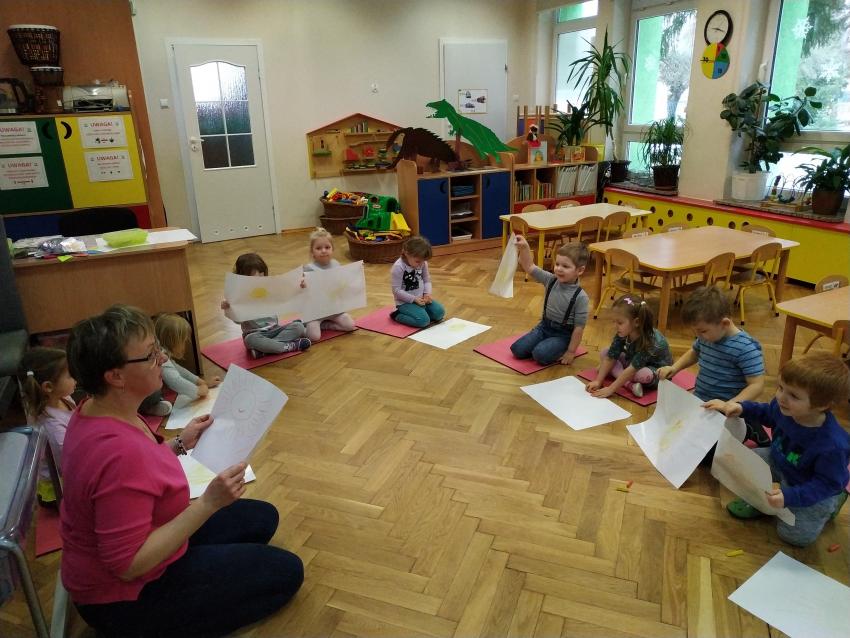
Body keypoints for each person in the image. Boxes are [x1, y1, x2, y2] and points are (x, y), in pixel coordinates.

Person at [61, 304, 303, 637]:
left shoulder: (99, 408)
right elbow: (128, 565)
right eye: (150, 355)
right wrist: (209, 503)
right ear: (115, 376)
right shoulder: (118, 453)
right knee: (287, 572)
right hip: (124, 597)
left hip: (152, 530)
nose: (162, 358)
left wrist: (180, 443)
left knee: (262, 518)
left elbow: (139, 473)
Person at [704, 353, 850, 547]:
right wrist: (741, 408)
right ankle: (759, 502)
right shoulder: (785, 408)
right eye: (780, 388)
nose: (781, 397)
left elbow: (826, 483)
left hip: (810, 485)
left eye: (793, 395)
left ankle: (836, 500)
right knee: (742, 461)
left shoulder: (833, 446)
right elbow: (766, 412)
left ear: (822, 405)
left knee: (793, 537)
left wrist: (789, 496)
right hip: (778, 459)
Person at [658, 285, 767, 445]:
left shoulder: (746, 348)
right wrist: (674, 368)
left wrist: (730, 405)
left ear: (725, 323)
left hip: (729, 409)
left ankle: (750, 427)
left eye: (702, 331)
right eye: (696, 332)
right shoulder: (707, 337)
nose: (699, 336)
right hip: (703, 400)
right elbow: (694, 352)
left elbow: (757, 385)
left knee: (712, 451)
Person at [510, 237, 589, 366]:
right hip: (544, 327)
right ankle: (545, 344)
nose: (559, 269)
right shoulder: (551, 280)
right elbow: (529, 266)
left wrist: (571, 352)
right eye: (557, 264)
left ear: (580, 270)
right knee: (517, 350)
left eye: (565, 266)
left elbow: (579, 328)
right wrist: (524, 248)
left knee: (539, 354)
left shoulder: (581, 297)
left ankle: (557, 346)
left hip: (563, 335)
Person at [221, 252, 311, 358]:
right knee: (250, 340)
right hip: (255, 334)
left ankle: (265, 350)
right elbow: (238, 320)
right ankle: (289, 346)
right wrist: (229, 307)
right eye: (254, 277)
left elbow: (286, 296)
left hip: (275, 329)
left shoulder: (269, 288)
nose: (259, 279)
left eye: (261, 274)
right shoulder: (239, 295)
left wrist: (299, 287)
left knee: (298, 326)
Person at [18, 347, 77, 503]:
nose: (76, 376)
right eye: (70, 375)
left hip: (70, 456)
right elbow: (69, 467)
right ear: (49, 387)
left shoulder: (62, 397)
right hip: (57, 486)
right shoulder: (53, 428)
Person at [586, 294, 672, 398]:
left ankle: (619, 375)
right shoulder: (623, 332)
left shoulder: (650, 341)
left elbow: (633, 369)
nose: (615, 326)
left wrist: (610, 389)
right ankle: (629, 384)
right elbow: (611, 357)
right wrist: (598, 381)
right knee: (605, 353)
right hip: (634, 362)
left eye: (619, 323)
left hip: (655, 372)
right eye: (614, 322)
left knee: (643, 375)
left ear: (636, 322)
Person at [301, 227, 357, 342]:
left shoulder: (336, 264)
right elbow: (303, 292)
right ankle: (306, 326)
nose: (323, 251)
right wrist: (303, 285)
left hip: (333, 309)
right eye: (318, 248)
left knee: (350, 325)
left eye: (327, 247)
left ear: (332, 249)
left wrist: (353, 275)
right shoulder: (308, 268)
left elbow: (341, 284)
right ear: (312, 252)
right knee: (314, 337)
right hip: (316, 312)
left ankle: (326, 326)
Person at [154, 313, 221, 399]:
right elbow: (176, 381)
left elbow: (180, 370)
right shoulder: (162, 360)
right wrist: (196, 390)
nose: (185, 344)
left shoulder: (163, 353)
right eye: (184, 341)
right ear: (173, 341)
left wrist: (201, 382)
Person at [390, 235, 445, 328]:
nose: (421, 264)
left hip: (421, 299)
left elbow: (427, 280)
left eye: (423, 261)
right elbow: (396, 291)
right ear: (407, 253)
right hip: (405, 302)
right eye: (418, 261)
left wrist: (427, 294)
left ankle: (421, 312)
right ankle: (397, 315)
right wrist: (414, 299)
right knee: (423, 321)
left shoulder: (422, 263)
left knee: (440, 313)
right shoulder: (398, 267)